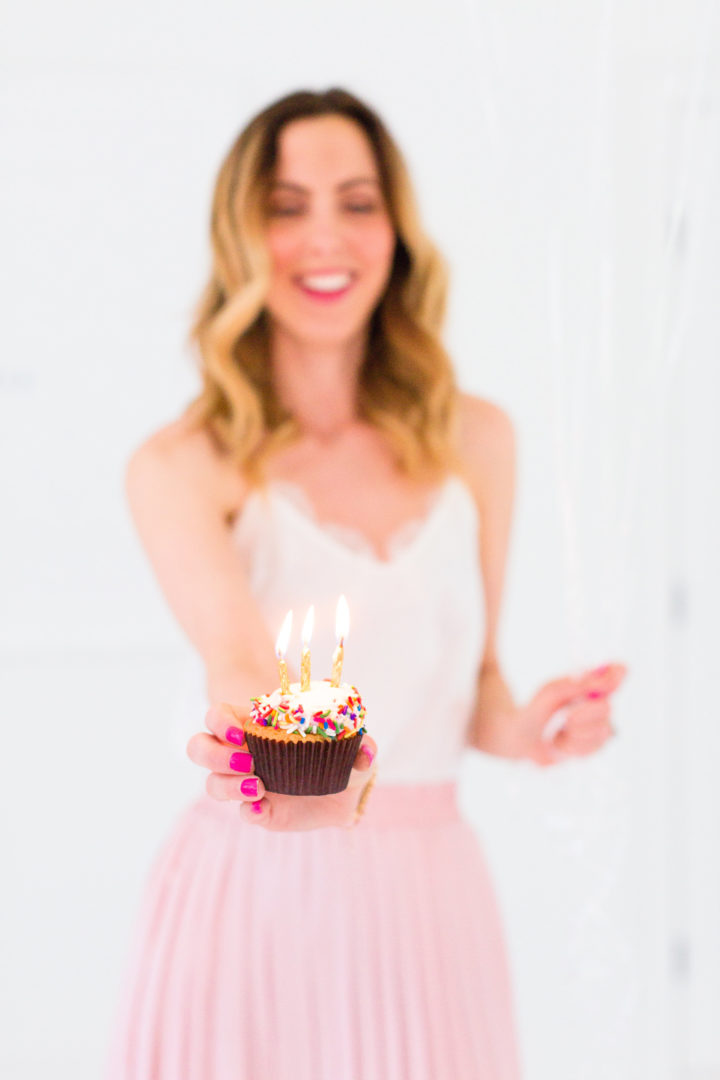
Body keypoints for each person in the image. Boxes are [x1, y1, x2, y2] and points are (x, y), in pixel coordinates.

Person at [105, 87, 627, 1080]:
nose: (325, 237)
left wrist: (528, 730)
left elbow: (474, 685)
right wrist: (284, 759)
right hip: (252, 894)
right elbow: (243, 662)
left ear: (397, 229)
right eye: (286, 205)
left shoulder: (478, 439)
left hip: (428, 901)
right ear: (241, 236)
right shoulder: (183, 464)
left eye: (357, 200)